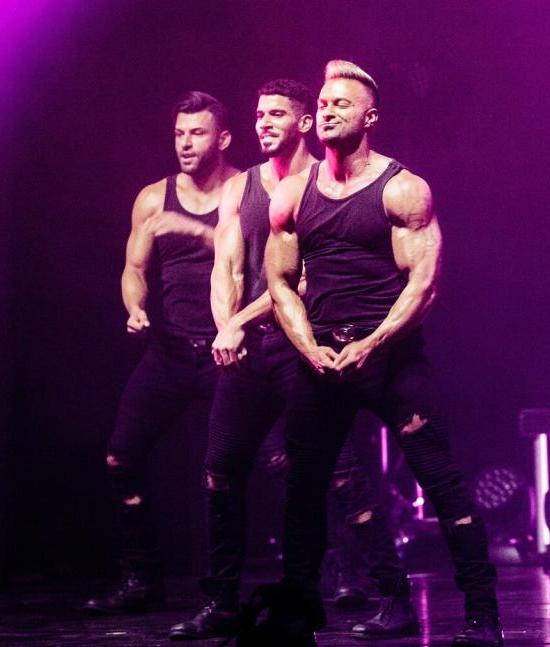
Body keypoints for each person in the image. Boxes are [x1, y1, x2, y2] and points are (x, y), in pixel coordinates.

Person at [168, 79, 418, 641]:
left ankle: (391, 594)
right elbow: (226, 269)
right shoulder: (242, 188)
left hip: (298, 345)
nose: (263, 123)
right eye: (259, 114)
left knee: (342, 475)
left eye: (276, 114)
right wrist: (224, 327)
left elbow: (299, 281)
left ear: (304, 123)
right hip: (245, 353)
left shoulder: (318, 188)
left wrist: (239, 321)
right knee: (219, 469)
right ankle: (224, 601)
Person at [265, 60, 504, 646]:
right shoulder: (292, 194)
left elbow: (424, 284)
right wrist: (311, 348)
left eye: (341, 104)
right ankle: (308, 614)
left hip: (391, 359)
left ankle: (482, 615)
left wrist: (372, 343)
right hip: (322, 361)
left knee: (442, 482)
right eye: (322, 103)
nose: (326, 111)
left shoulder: (402, 189)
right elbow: (280, 285)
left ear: (370, 117)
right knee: (303, 493)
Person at [84, 92, 239, 614]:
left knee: (278, 460)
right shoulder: (153, 197)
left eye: (196, 133)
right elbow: (134, 269)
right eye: (178, 134)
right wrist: (136, 308)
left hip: (228, 354)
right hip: (169, 354)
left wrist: (194, 229)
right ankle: (141, 578)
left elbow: (259, 257)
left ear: (222, 139)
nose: (185, 144)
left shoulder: (246, 190)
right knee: (119, 457)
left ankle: (321, 575)